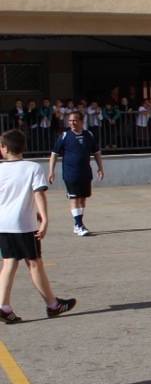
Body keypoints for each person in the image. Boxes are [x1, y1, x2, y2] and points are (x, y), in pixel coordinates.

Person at [0, 129, 76, 323]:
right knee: (34, 263)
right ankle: (53, 305)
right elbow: (38, 194)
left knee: (9, 262)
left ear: (4, 148)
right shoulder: (32, 168)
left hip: (3, 223)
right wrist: (44, 218)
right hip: (24, 224)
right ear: (23, 147)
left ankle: (3, 306)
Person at [47, 111, 104, 237]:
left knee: (83, 198)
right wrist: (51, 171)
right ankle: (79, 224)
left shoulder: (88, 134)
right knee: (74, 198)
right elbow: (54, 154)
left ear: (81, 121)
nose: (72, 123)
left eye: (75, 120)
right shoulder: (65, 136)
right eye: (70, 120)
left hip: (85, 173)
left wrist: (100, 168)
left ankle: (77, 224)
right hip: (70, 173)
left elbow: (96, 152)